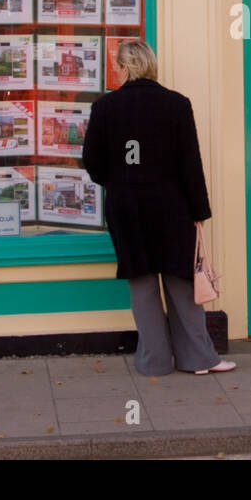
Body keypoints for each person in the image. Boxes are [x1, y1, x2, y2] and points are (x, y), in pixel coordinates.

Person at [81, 39, 235, 377]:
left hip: (127, 207)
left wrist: (121, 180)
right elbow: (190, 164)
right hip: (172, 206)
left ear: (123, 68)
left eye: (118, 67)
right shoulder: (176, 104)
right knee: (181, 282)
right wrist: (200, 212)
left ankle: (154, 362)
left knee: (142, 283)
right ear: (151, 65)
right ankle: (199, 360)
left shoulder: (105, 107)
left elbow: (92, 163)